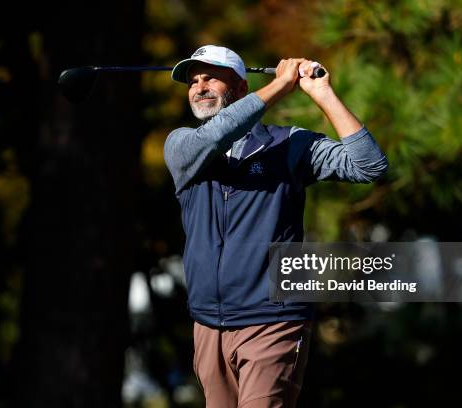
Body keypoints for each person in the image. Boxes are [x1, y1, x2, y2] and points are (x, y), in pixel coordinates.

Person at [164, 45, 388, 408]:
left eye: (211, 78)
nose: (199, 87)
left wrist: (323, 94)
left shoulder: (291, 145)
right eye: (193, 81)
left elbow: (369, 165)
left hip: (273, 319)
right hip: (207, 325)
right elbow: (215, 136)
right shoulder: (182, 147)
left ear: (240, 88)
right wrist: (279, 87)